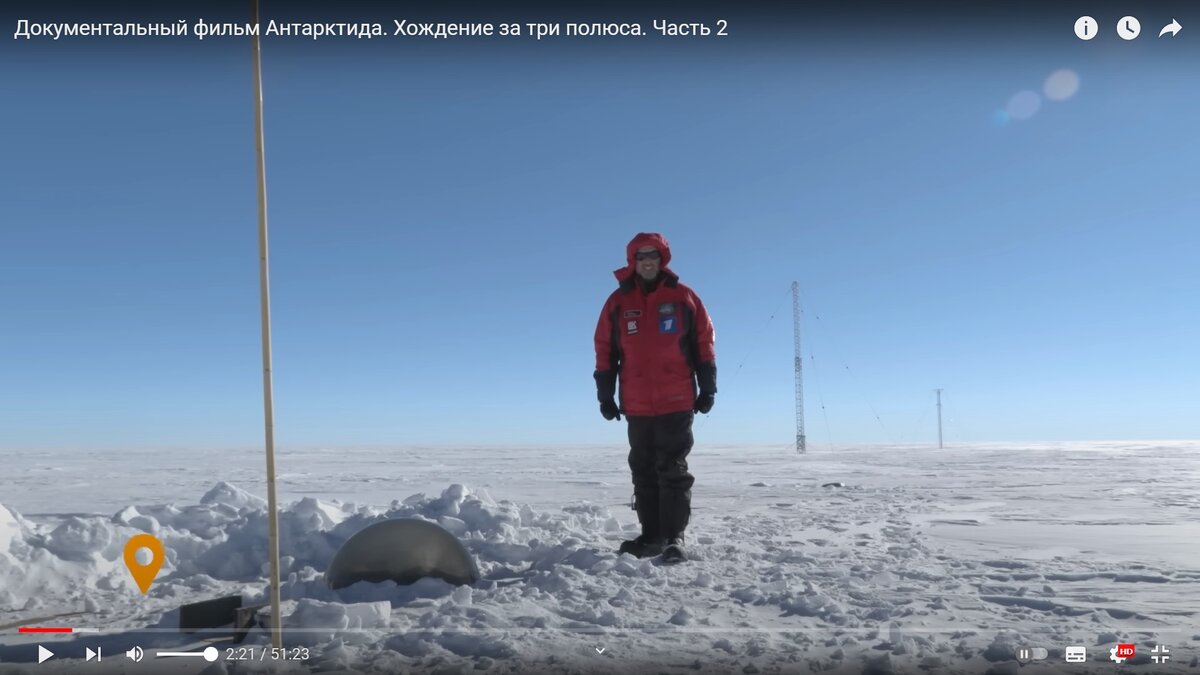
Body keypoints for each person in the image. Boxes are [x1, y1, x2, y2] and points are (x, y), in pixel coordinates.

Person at [593, 232, 716, 562]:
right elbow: (605, 349)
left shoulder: (683, 297)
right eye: (641, 256)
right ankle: (651, 536)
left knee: (672, 469)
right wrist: (605, 395)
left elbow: (703, 343)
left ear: (663, 260)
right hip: (636, 405)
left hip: (676, 401)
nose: (648, 261)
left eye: (654, 256)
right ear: (633, 261)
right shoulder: (618, 302)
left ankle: (674, 537)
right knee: (643, 470)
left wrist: (708, 387)